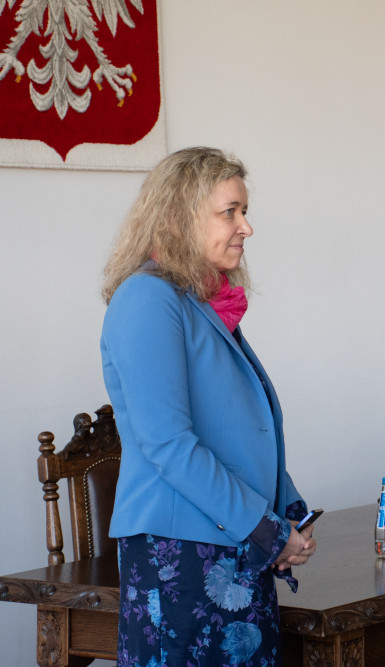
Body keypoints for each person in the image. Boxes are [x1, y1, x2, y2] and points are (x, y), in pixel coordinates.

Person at [100, 147, 317, 666]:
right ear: (178, 218)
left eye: (245, 211)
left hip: (235, 544)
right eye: (230, 212)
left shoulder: (197, 302)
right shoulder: (147, 299)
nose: (246, 227)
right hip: (181, 556)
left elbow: (240, 431)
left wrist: (292, 516)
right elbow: (170, 446)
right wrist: (267, 530)